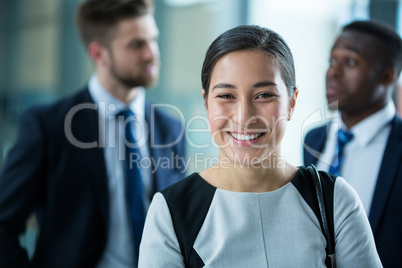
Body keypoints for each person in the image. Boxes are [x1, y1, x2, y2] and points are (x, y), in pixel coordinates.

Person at [138, 25, 382, 267]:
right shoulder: (171, 211)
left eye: (264, 95)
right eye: (226, 96)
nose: (244, 117)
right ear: (206, 103)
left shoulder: (335, 200)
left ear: (292, 103)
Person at [0, 0, 186, 267]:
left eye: (153, 40)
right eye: (136, 45)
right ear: (99, 53)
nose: (151, 53)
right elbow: (4, 225)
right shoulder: (49, 126)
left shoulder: (171, 128)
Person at [303, 20, 402, 267]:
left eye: (350, 62)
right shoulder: (314, 139)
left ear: (387, 75)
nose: (333, 72)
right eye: (332, 61)